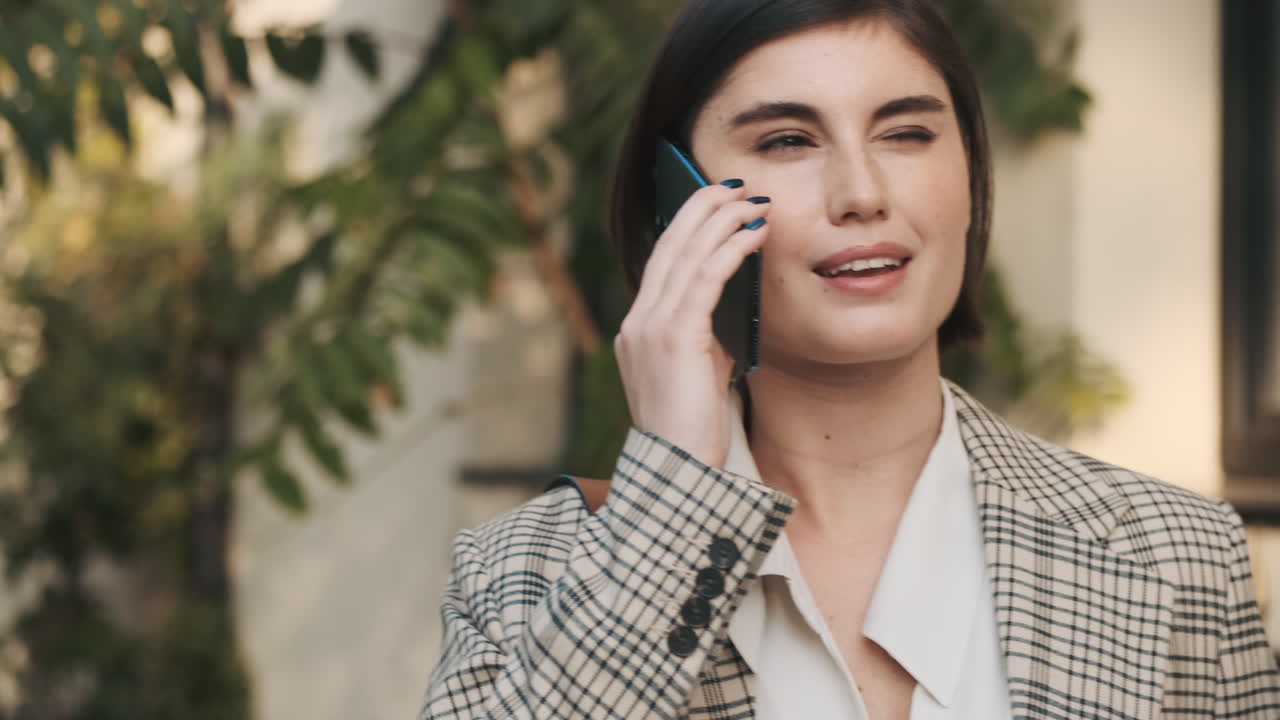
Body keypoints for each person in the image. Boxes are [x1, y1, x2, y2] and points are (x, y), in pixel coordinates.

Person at [419, 0, 1280, 717]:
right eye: (787, 141)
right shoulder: (521, 575)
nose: (863, 194)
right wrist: (672, 490)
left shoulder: (1176, 553)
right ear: (683, 205)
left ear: (968, 176)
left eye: (906, 132)